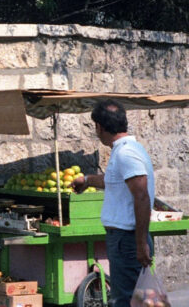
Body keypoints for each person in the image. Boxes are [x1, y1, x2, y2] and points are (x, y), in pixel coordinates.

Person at [73, 99, 155, 307]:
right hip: (125, 240)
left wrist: (140, 243)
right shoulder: (125, 150)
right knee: (136, 300)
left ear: (100, 127)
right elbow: (114, 180)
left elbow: (141, 196)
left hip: (127, 240)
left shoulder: (126, 153)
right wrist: (87, 180)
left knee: (126, 300)